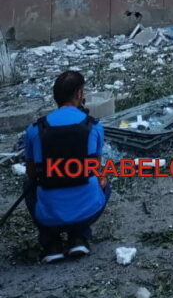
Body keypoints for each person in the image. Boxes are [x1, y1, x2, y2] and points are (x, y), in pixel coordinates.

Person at [23, 70, 110, 263]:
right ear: (79, 94)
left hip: (48, 215)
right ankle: (79, 236)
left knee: (29, 185)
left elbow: (31, 173)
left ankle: (51, 243)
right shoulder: (94, 126)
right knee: (104, 182)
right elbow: (95, 168)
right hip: (88, 211)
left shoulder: (35, 130)